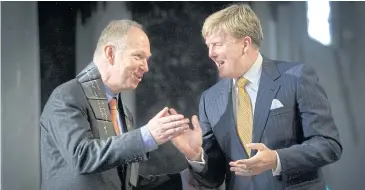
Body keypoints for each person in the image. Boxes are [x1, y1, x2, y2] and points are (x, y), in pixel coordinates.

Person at [171, 4, 342, 190]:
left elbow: (328, 145)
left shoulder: (296, 77)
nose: (210, 53)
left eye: (217, 45)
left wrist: (276, 159)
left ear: (245, 44)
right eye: (208, 46)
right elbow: (214, 178)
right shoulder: (210, 99)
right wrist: (197, 156)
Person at [40, 20, 190, 190]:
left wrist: (188, 179)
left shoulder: (124, 113)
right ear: (110, 53)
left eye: (147, 59)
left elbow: (125, 184)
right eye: (138, 56)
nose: (146, 67)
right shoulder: (67, 96)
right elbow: (82, 157)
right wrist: (146, 136)